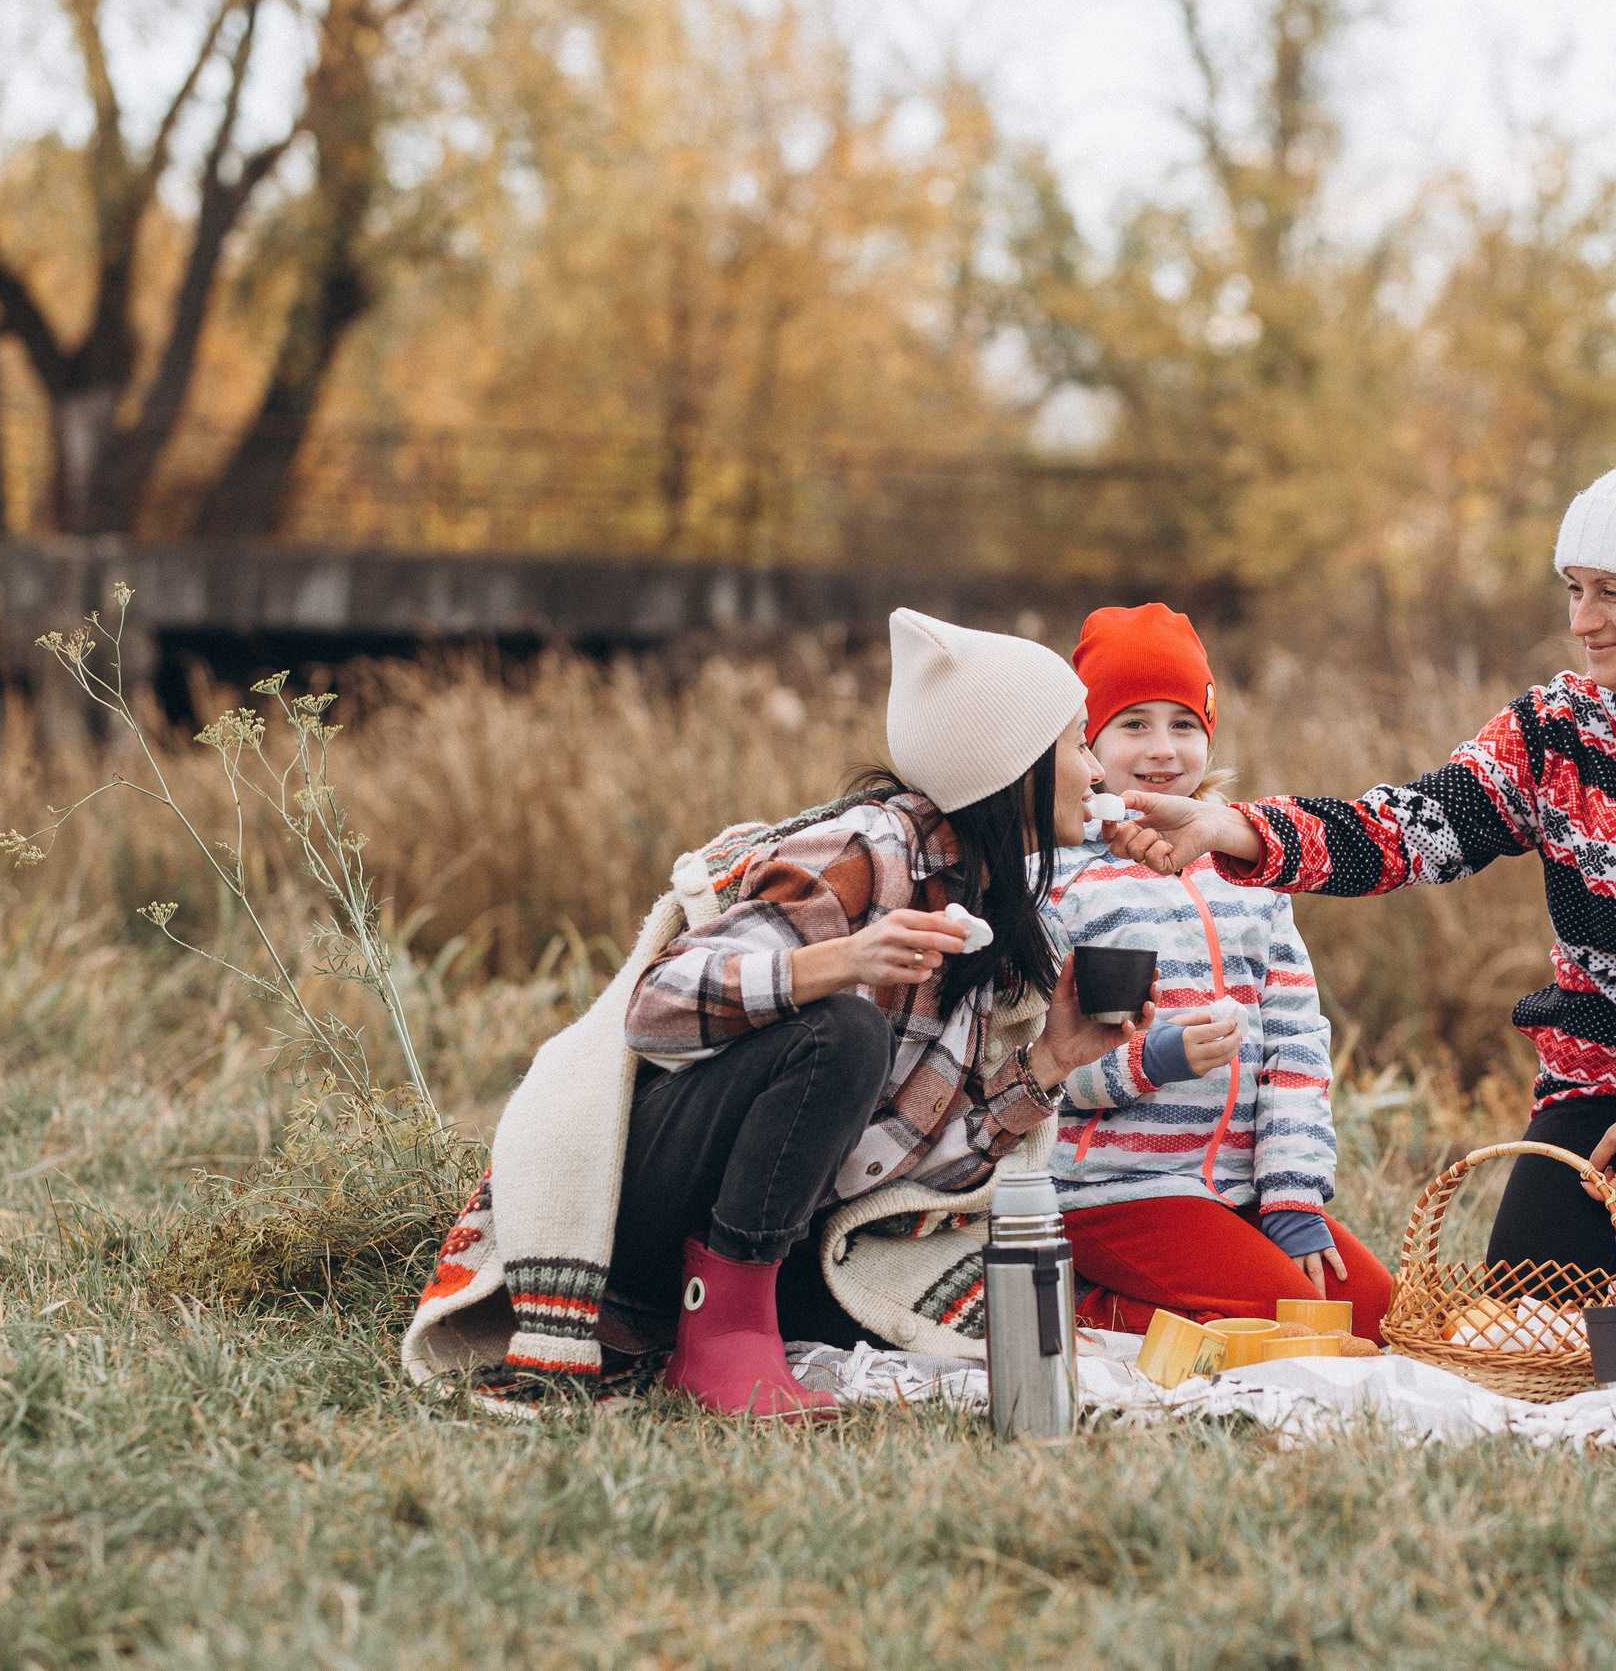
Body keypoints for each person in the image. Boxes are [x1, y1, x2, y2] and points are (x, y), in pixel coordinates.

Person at [1108, 453, 1616, 1290]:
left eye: (1613, 592)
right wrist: (1230, 826)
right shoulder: (1553, 730)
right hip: (1597, 1075)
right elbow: (1402, 830)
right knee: (1530, 1299)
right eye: (1574, 588)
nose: (1583, 620)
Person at [409, 608, 1159, 1421]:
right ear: (1013, 764)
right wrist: (838, 962)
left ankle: (726, 1324)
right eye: (1080, 743)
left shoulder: (983, 913)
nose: (1096, 771)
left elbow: (882, 1170)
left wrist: (1050, 1060)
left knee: (866, 1307)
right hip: (649, 1196)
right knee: (844, 1030)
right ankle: (713, 1338)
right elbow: (652, 1007)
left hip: (763, 1225)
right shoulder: (866, 851)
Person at [1041, 604, 1397, 1342]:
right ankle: (1085, 1301)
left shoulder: (1247, 871)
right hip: (1112, 1190)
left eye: (1183, 723)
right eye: (1133, 723)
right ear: (1087, 739)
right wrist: (1152, 1058)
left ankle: (1201, 1291)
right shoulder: (1061, 884)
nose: (1163, 748)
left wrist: (1292, 1197)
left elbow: (1298, 1044)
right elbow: (1046, 1067)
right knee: (1297, 1329)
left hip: (1235, 1190)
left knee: (1374, 1312)